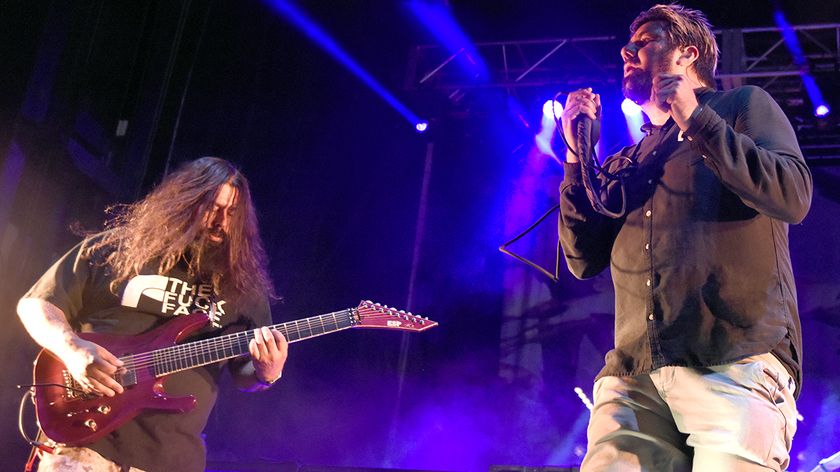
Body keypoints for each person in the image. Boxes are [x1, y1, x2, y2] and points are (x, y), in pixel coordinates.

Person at [557, 4, 812, 471]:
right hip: (633, 376)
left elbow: (791, 196)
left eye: (646, 41)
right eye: (628, 45)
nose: (627, 51)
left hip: (733, 359)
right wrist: (576, 159)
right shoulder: (628, 161)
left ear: (688, 54)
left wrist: (696, 118)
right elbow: (581, 258)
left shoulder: (741, 106)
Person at [17, 157, 289, 472]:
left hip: (169, 459)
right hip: (83, 445)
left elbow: (245, 376)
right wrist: (72, 349)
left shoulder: (242, 287)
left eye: (231, 214)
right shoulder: (117, 248)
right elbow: (36, 304)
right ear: (184, 202)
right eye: (212, 208)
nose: (221, 222)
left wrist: (268, 372)